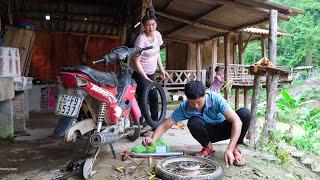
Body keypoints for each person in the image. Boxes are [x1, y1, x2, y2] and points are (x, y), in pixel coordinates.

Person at [143, 80, 251, 166]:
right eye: (192, 103)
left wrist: (230, 148)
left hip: (225, 129)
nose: (195, 106)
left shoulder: (215, 98)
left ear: (205, 95)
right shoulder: (184, 107)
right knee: (193, 122)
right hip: (208, 134)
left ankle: (235, 149)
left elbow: (237, 121)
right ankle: (208, 147)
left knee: (244, 114)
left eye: (198, 102)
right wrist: (153, 140)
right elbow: (165, 125)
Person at [132, 6, 169, 127]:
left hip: (151, 73)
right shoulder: (141, 40)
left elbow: (157, 53)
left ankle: (155, 123)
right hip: (140, 73)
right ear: (144, 26)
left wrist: (162, 69)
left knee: (154, 96)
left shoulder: (157, 35)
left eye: (153, 24)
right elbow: (136, 61)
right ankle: (141, 124)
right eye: (148, 25)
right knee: (143, 97)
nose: (151, 27)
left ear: (156, 24)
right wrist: (144, 77)